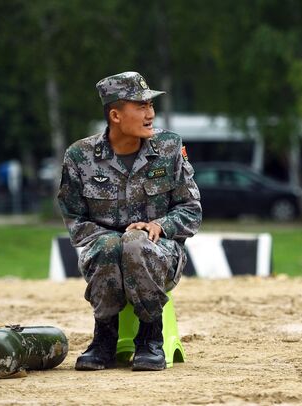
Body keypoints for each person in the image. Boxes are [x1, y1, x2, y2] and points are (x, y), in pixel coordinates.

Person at [57, 71, 202, 371]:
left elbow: (191, 209)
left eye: (151, 105)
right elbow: (74, 217)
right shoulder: (80, 156)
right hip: (104, 255)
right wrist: (108, 238)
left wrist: (160, 226)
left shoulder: (169, 148)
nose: (150, 114)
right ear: (116, 115)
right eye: (141, 106)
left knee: (136, 242)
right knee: (113, 244)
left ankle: (151, 339)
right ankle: (104, 341)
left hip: (161, 254)